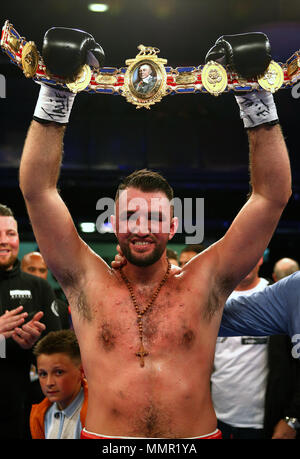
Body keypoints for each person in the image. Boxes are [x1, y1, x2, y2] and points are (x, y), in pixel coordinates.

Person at [18, 30, 291, 438]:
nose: (142, 226)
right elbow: (38, 191)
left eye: (154, 216)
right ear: (114, 222)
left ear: (174, 224)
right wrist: (56, 96)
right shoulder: (86, 282)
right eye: (131, 214)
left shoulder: (206, 282)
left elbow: (272, 196)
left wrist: (256, 100)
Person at [0, 204, 62, 439]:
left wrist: (35, 347)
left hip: (25, 416)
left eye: (11, 233)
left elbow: (59, 353)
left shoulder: (38, 287)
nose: (4, 241)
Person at [211, 257, 270, 439]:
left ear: (260, 258)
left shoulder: (274, 295)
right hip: (215, 415)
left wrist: (291, 417)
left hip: (262, 420)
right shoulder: (213, 298)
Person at [30, 329, 88, 439]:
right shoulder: (41, 415)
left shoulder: (96, 414)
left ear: (81, 372)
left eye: (59, 372)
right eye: (43, 374)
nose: (49, 383)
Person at [21, 251, 70, 329]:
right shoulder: (9, 302)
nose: (37, 275)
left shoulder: (61, 308)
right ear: (20, 271)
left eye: (42, 270)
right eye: (31, 269)